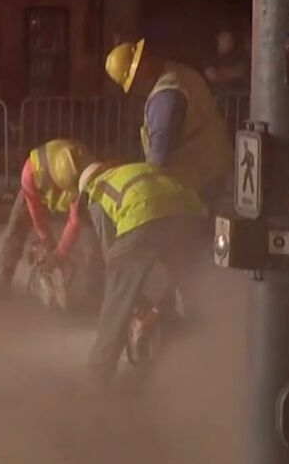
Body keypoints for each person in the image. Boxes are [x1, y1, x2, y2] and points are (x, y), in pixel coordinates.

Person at [74, 160, 208, 387]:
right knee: (189, 284)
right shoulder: (135, 171)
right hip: (192, 212)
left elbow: (113, 257)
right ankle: (196, 358)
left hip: (143, 215)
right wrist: (152, 309)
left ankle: (97, 376)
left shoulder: (95, 191)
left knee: (117, 297)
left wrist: (134, 304)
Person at [104, 38, 233, 207]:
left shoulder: (165, 95)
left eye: (134, 83)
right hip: (216, 172)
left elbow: (159, 158)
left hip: (197, 185)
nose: (136, 89)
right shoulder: (179, 73)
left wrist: (144, 185)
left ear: (142, 69)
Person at [0, 138, 98, 300]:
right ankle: (3, 278)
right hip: (38, 186)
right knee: (17, 225)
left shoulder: (84, 172)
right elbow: (34, 211)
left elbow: (75, 222)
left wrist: (59, 255)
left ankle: (95, 290)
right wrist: (47, 240)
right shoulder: (31, 171)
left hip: (82, 187)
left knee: (93, 233)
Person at [203, 29, 249, 99]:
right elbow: (210, 75)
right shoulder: (213, 57)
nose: (225, 42)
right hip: (218, 98)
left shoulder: (239, 56)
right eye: (222, 39)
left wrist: (218, 73)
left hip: (234, 98)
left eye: (228, 40)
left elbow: (240, 72)